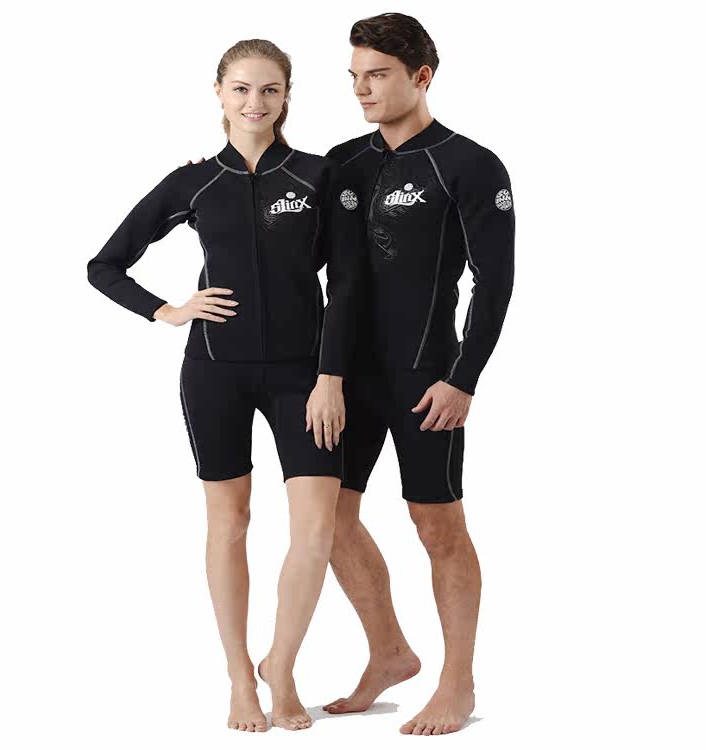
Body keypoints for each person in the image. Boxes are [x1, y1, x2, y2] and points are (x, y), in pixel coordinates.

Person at [87, 39, 365, 732]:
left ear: (287, 96)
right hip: (215, 370)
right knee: (230, 522)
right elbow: (105, 264)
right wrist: (168, 310)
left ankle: (282, 669)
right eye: (241, 88)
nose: (254, 102)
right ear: (219, 93)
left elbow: (349, 283)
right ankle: (241, 677)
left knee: (317, 528)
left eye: (269, 90)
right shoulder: (194, 183)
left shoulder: (317, 175)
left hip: (306, 376)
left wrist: (331, 376)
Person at [317, 13, 516, 737]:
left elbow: (495, 281)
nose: (362, 90)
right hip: (343, 378)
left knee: (436, 523)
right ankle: (390, 653)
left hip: (426, 375)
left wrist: (464, 378)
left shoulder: (469, 164)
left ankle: (457, 681)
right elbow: (292, 245)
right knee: (326, 519)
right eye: (354, 77)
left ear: (421, 76)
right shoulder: (343, 163)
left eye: (377, 75)